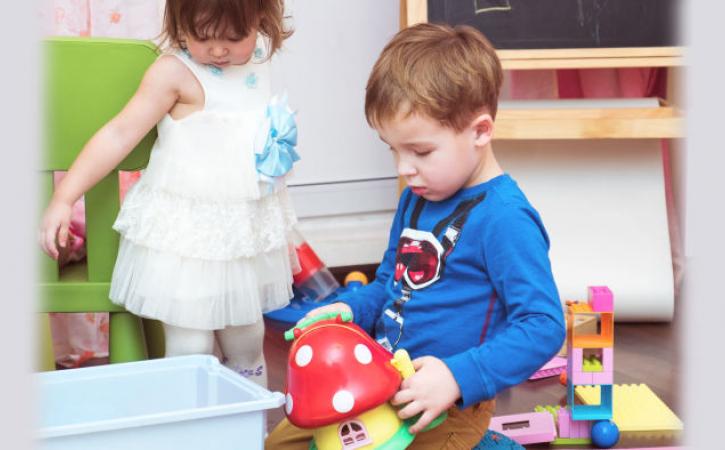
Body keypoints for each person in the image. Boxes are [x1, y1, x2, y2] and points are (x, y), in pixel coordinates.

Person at [266, 23, 566, 449]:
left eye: (421, 152)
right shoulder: (418, 196)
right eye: (394, 149)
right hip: (382, 378)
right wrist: (346, 311)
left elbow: (543, 325)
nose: (404, 168)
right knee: (279, 443)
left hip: (449, 401)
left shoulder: (505, 219)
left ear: (480, 131)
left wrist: (456, 377)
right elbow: (390, 287)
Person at [39, 0, 298, 388]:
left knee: (246, 336)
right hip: (185, 236)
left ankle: (247, 426)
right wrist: (64, 197)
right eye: (203, 36)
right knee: (191, 342)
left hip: (239, 232)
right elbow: (119, 134)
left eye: (233, 37)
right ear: (180, 24)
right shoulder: (174, 72)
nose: (218, 51)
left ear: (261, 20)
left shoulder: (258, 52)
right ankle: (186, 426)